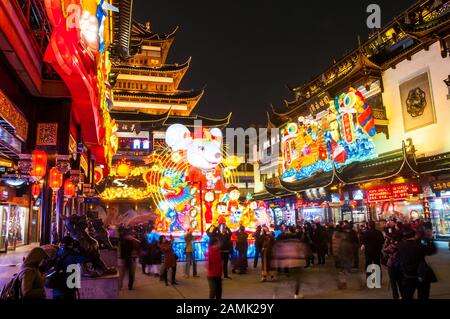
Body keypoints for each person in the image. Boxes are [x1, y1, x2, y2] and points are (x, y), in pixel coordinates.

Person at [397, 227, 437, 299]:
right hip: (421, 274)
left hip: (407, 274)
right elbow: (432, 250)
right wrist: (429, 239)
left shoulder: (400, 246)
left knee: (407, 295)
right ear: (414, 235)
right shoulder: (419, 246)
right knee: (423, 295)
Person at [383, 224, 403, 299]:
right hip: (401, 265)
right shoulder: (403, 245)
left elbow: (385, 251)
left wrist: (387, 241)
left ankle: (396, 296)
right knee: (401, 282)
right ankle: (403, 295)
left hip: (392, 265)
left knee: (393, 283)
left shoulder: (391, 246)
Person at [332, 223, 354, 289]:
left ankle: (343, 283)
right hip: (347, 258)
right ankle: (345, 283)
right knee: (346, 271)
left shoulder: (340, 242)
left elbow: (338, 250)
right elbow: (350, 252)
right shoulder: (347, 244)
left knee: (342, 271)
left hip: (341, 258)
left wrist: (337, 255)